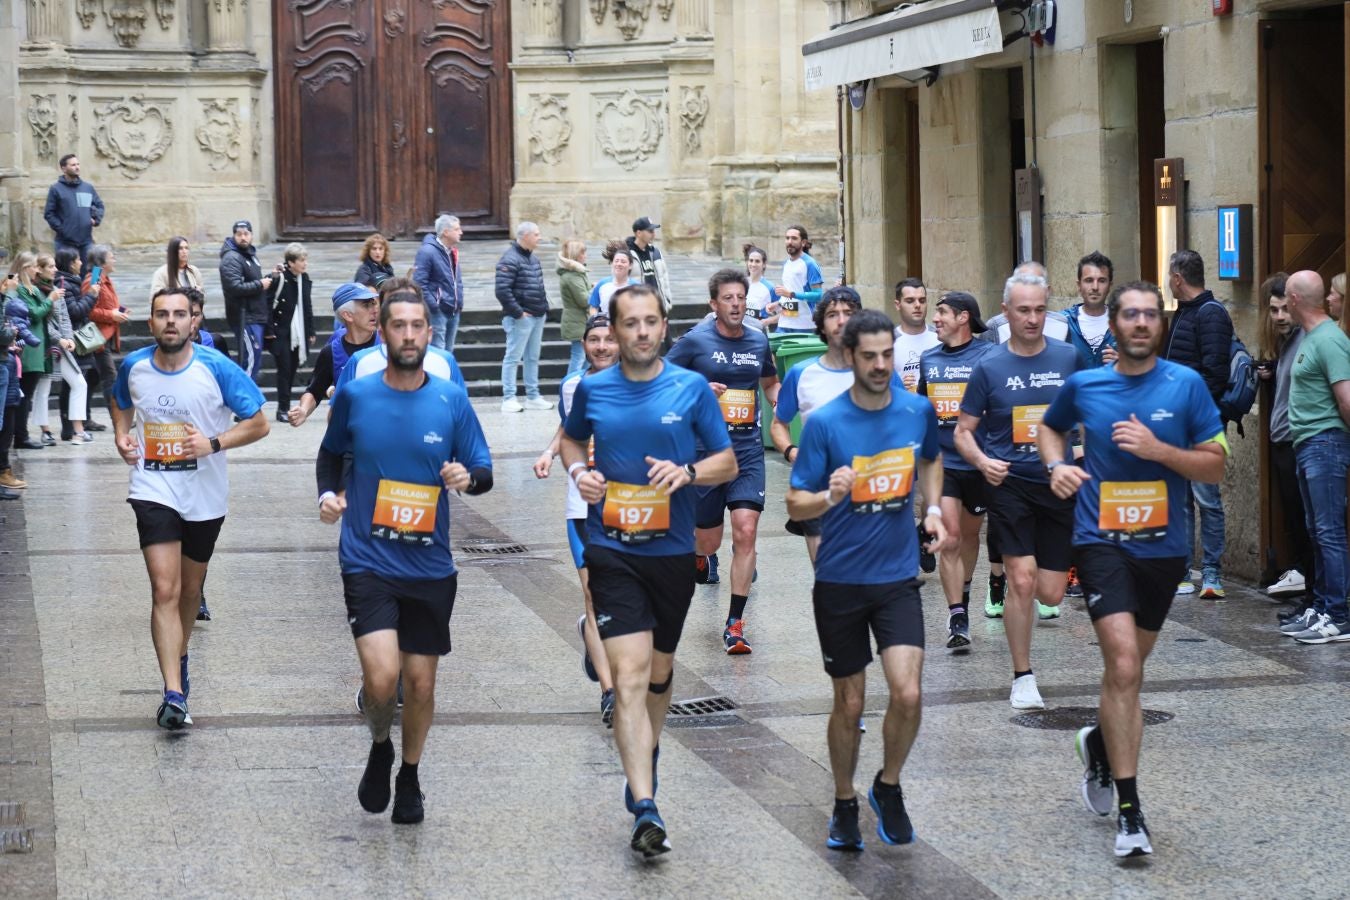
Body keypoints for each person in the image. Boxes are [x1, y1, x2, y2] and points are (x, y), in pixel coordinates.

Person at [1038, 280, 1227, 858]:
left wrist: (1159, 451)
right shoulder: (1085, 384)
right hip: (1101, 543)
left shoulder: (1186, 385)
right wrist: (1055, 466)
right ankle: (1130, 811)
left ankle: (1099, 742)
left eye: (1150, 314)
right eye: (1131, 314)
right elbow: (1050, 428)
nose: (1141, 322)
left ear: (1160, 325)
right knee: (1121, 664)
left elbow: (1216, 467)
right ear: (1113, 326)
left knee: (1128, 675)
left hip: (1164, 551)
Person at [559, 284, 737, 857]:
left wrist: (688, 472)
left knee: (661, 673)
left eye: (650, 322)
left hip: (671, 554)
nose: (639, 332)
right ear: (612, 329)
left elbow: (726, 461)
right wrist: (579, 473)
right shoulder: (593, 388)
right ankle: (645, 805)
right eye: (629, 323)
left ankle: (645, 751)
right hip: (611, 549)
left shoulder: (689, 389)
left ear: (664, 327)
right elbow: (571, 440)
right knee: (630, 676)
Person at [317, 287, 492, 825]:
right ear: (382, 331)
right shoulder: (357, 395)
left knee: (420, 685)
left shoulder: (450, 399)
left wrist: (469, 477)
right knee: (381, 680)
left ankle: (409, 772)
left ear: (429, 334)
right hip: (367, 559)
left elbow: (482, 469)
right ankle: (379, 743)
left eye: (418, 326)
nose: (409, 335)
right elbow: (330, 455)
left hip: (430, 566)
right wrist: (328, 494)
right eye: (399, 326)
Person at [785, 309, 946, 852]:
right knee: (849, 704)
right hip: (840, 580)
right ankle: (844, 800)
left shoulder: (916, 409)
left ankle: (889, 785)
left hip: (898, 576)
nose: (881, 365)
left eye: (887, 355)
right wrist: (830, 495)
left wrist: (935, 510)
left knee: (909, 691)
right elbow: (794, 499)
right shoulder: (826, 423)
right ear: (850, 356)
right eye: (870, 356)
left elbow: (931, 458)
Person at [112, 288, 270, 729]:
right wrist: (122, 434)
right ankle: (173, 692)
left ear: (192, 322)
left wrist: (212, 443)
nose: (171, 322)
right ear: (151, 322)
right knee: (165, 589)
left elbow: (259, 423)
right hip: (153, 487)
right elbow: (120, 399)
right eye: (162, 314)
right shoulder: (135, 366)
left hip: (204, 494)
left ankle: (180, 656)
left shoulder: (217, 368)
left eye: (179, 314)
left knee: (189, 591)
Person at [955, 269, 1080, 709]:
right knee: (1021, 580)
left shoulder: (1068, 358)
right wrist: (982, 461)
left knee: (1050, 591)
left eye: (1040, 310)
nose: (1032, 319)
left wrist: (1081, 450)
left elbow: (1089, 413)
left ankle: (1028, 645)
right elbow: (963, 431)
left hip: (1057, 486)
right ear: (1006, 313)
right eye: (1023, 310)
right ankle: (1022, 675)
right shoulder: (988, 365)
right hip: (1009, 484)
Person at [666, 269, 779, 654]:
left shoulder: (757, 339)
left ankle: (735, 623)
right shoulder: (695, 342)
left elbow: (769, 383)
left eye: (740, 298)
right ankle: (702, 558)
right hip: (707, 453)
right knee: (708, 540)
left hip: (747, 450)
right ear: (714, 304)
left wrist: (787, 403)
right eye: (728, 298)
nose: (735, 304)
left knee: (746, 530)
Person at [534, 315, 620, 724]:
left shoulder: (643, 383)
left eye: (609, 339)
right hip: (583, 508)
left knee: (623, 597)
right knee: (593, 593)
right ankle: (609, 691)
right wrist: (553, 455)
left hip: (631, 506)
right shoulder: (573, 385)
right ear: (584, 344)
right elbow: (570, 430)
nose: (602, 346)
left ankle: (595, 629)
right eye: (594, 340)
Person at [917, 292, 997, 650]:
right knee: (948, 537)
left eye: (942, 313)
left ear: (964, 318)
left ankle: (963, 594)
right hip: (942, 463)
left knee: (968, 536)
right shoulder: (928, 359)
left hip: (978, 462)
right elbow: (920, 409)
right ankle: (956, 614)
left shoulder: (988, 356)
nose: (935, 319)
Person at [1280, 270, 1350, 644]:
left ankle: (1338, 615)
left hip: (1325, 444)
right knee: (1317, 530)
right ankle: (1322, 606)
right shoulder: (1312, 337)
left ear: (1293, 299)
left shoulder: (1329, 340)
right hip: (1308, 444)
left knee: (1329, 531)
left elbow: (1346, 399)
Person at [1160, 250, 1232, 599]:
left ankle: (1213, 573)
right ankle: (1184, 570)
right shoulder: (1184, 314)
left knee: (1207, 498)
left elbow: (1215, 374)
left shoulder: (1210, 315)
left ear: (1177, 278)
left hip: (1202, 424)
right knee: (1182, 498)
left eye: (1168, 276)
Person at [772, 286, 862, 561]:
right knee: (829, 579)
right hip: (816, 488)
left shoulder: (877, 371)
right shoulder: (801, 373)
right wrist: (791, 451)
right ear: (822, 322)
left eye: (849, 313)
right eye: (833, 314)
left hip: (866, 489)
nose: (842, 320)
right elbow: (779, 423)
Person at [1256, 274, 1312, 607]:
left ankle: (1316, 591)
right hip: (1282, 439)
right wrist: (1271, 373)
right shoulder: (1287, 342)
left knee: (1308, 520)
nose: (1279, 317)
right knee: (1294, 517)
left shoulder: (1308, 339)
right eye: (1273, 310)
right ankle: (1304, 579)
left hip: (1298, 440)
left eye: (1284, 309)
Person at [334, 280, 466, 394]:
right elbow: (338, 416)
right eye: (393, 303)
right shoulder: (359, 362)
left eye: (410, 301)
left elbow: (461, 414)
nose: (403, 309)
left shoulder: (444, 362)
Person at [287, 283, 381, 427]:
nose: (374, 310)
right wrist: (303, 410)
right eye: (366, 305)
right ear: (347, 315)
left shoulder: (388, 343)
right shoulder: (331, 351)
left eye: (374, 303)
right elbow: (314, 390)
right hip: (348, 434)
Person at [32, 254, 90, 445]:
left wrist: (69, 338)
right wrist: (59, 339)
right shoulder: (34, 291)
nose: (55, 269)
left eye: (55, 266)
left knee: (79, 383)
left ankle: (78, 431)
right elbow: (41, 321)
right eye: (50, 266)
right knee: (43, 389)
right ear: (39, 269)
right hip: (44, 348)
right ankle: (45, 430)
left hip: (62, 346)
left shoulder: (57, 289)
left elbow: (64, 317)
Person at [495, 222, 551, 412]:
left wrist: (544, 308)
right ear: (525, 236)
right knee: (513, 357)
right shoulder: (509, 259)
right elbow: (502, 290)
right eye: (536, 234)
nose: (539, 237)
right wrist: (518, 313)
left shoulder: (533, 259)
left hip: (537, 315)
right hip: (521, 318)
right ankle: (509, 397)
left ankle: (533, 396)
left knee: (532, 357)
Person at [5, 252, 53, 450]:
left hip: (36, 346)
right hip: (28, 350)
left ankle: (21, 434)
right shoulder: (22, 290)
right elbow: (34, 313)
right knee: (23, 394)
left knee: (26, 394)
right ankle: (21, 436)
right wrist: (50, 300)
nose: (36, 270)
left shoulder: (31, 289)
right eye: (33, 266)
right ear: (25, 268)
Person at [53, 248, 103, 442]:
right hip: (70, 340)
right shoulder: (64, 283)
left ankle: (72, 428)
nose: (81, 263)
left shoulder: (71, 281)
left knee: (76, 382)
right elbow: (74, 312)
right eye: (78, 260)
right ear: (71, 263)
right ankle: (73, 429)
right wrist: (91, 296)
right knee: (76, 383)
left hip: (73, 339)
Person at [218, 220, 276, 382]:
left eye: (246, 234)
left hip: (255, 315)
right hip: (245, 317)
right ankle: (246, 400)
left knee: (254, 360)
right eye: (239, 234)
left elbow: (252, 282)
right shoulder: (232, 258)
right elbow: (234, 287)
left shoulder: (249, 255)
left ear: (251, 235)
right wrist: (260, 284)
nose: (243, 237)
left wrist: (270, 277)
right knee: (249, 360)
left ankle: (248, 399)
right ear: (234, 236)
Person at [268, 243, 316, 422]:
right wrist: (269, 331)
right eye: (301, 260)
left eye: (305, 260)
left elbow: (307, 306)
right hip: (281, 332)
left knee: (292, 368)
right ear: (291, 262)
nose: (305, 264)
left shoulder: (304, 279)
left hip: (299, 333)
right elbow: (267, 304)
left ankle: (285, 407)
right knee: (284, 370)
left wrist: (310, 330)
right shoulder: (280, 277)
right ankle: (282, 408)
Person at [83, 244, 128, 418]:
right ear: (101, 263)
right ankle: (118, 417)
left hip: (105, 335)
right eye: (111, 257)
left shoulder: (105, 279)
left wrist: (120, 311)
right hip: (97, 338)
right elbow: (89, 310)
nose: (114, 259)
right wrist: (112, 314)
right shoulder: (94, 279)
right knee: (110, 376)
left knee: (93, 377)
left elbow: (106, 305)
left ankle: (84, 418)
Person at [412, 215, 465, 351]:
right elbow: (419, 283)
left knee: (448, 352)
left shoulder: (452, 251)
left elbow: (455, 280)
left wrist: (459, 302)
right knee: (437, 351)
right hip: (438, 311)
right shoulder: (427, 252)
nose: (461, 232)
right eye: (457, 229)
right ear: (446, 232)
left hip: (453, 308)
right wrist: (434, 306)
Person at [1062, 251, 1118, 369]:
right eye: (1089, 280)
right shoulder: (1063, 322)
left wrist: (1124, 364)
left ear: (1110, 286)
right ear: (1079, 285)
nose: (1095, 287)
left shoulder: (1123, 323)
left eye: (1102, 281)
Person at [43, 154, 104, 264]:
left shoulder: (87, 188)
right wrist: (63, 228)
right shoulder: (56, 189)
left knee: (94, 269)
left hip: (86, 241)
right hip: (65, 242)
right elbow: (49, 213)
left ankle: (95, 282)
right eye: (73, 165)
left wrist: (96, 219)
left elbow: (99, 206)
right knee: (66, 273)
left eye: (78, 164)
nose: (77, 167)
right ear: (63, 168)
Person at [773, 225, 824, 333]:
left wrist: (791, 294)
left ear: (803, 242)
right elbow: (788, 294)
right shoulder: (786, 264)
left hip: (804, 326)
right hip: (784, 322)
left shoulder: (810, 264)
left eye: (794, 238)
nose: (789, 241)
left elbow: (818, 295)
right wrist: (777, 304)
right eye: (787, 238)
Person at [892, 278, 940, 391]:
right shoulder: (888, 342)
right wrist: (897, 386)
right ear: (898, 305)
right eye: (910, 301)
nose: (917, 305)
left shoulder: (940, 337)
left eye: (922, 300)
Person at [557, 239, 591, 375]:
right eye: (583, 253)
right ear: (576, 255)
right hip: (577, 321)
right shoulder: (572, 276)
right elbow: (584, 300)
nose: (586, 256)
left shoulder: (576, 274)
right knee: (579, 357)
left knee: (586, 356)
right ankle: (571, 386)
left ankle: (583, 383)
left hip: (580, 320)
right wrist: (596, 291)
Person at [625, 217, 673, 311]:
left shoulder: (655, 252)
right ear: (638, 233)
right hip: (638, 308)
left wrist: (667, 300)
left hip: (658, 306)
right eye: (650, 231)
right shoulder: (627, 254)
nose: (653, 234)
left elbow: (664, 278)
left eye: (654, 231)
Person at [588, 241, 642, 317]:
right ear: (612, 263)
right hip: (606, 327)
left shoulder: (637, 287)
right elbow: (593, 307)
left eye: (623, 261)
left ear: (630, 265)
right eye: (616, 261)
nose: (619, 264)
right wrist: (597, 320)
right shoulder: (602, 284)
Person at [744, 244, 779, 329]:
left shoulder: (770, 287)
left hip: (758, 333)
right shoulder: (740, 283)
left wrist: (768, 321)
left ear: (764, 264)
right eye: (751, 260)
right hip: (738, 332)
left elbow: (788, 312)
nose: (753, 264)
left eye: (757, 261)